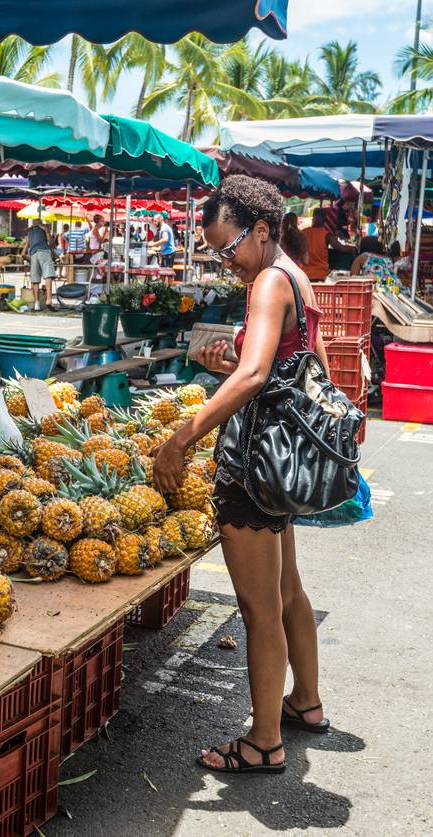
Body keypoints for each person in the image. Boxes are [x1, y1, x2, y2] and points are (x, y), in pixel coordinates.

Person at [152, 175, 329, 776]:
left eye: (228, 250)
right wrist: (237, 363)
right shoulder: (296, 278)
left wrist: (181, 439)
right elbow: (302, 367)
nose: (223, 263)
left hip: (254, 467)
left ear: (259, 231)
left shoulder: (266, 283)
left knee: (257, 609)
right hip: (284, 464)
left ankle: (263, 742)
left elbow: (255, 378)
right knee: (287, 590)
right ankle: (305, 702)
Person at [21, 220, 56, 307]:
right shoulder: (44, 229)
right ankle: (48, 299)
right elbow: (51, 242)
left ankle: (36, 304)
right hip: (44, 252)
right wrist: (47, 231)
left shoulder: (30, 233)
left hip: (33, 255)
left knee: (35, 280)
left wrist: (32, 261)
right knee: (48, 275)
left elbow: (23, 254)